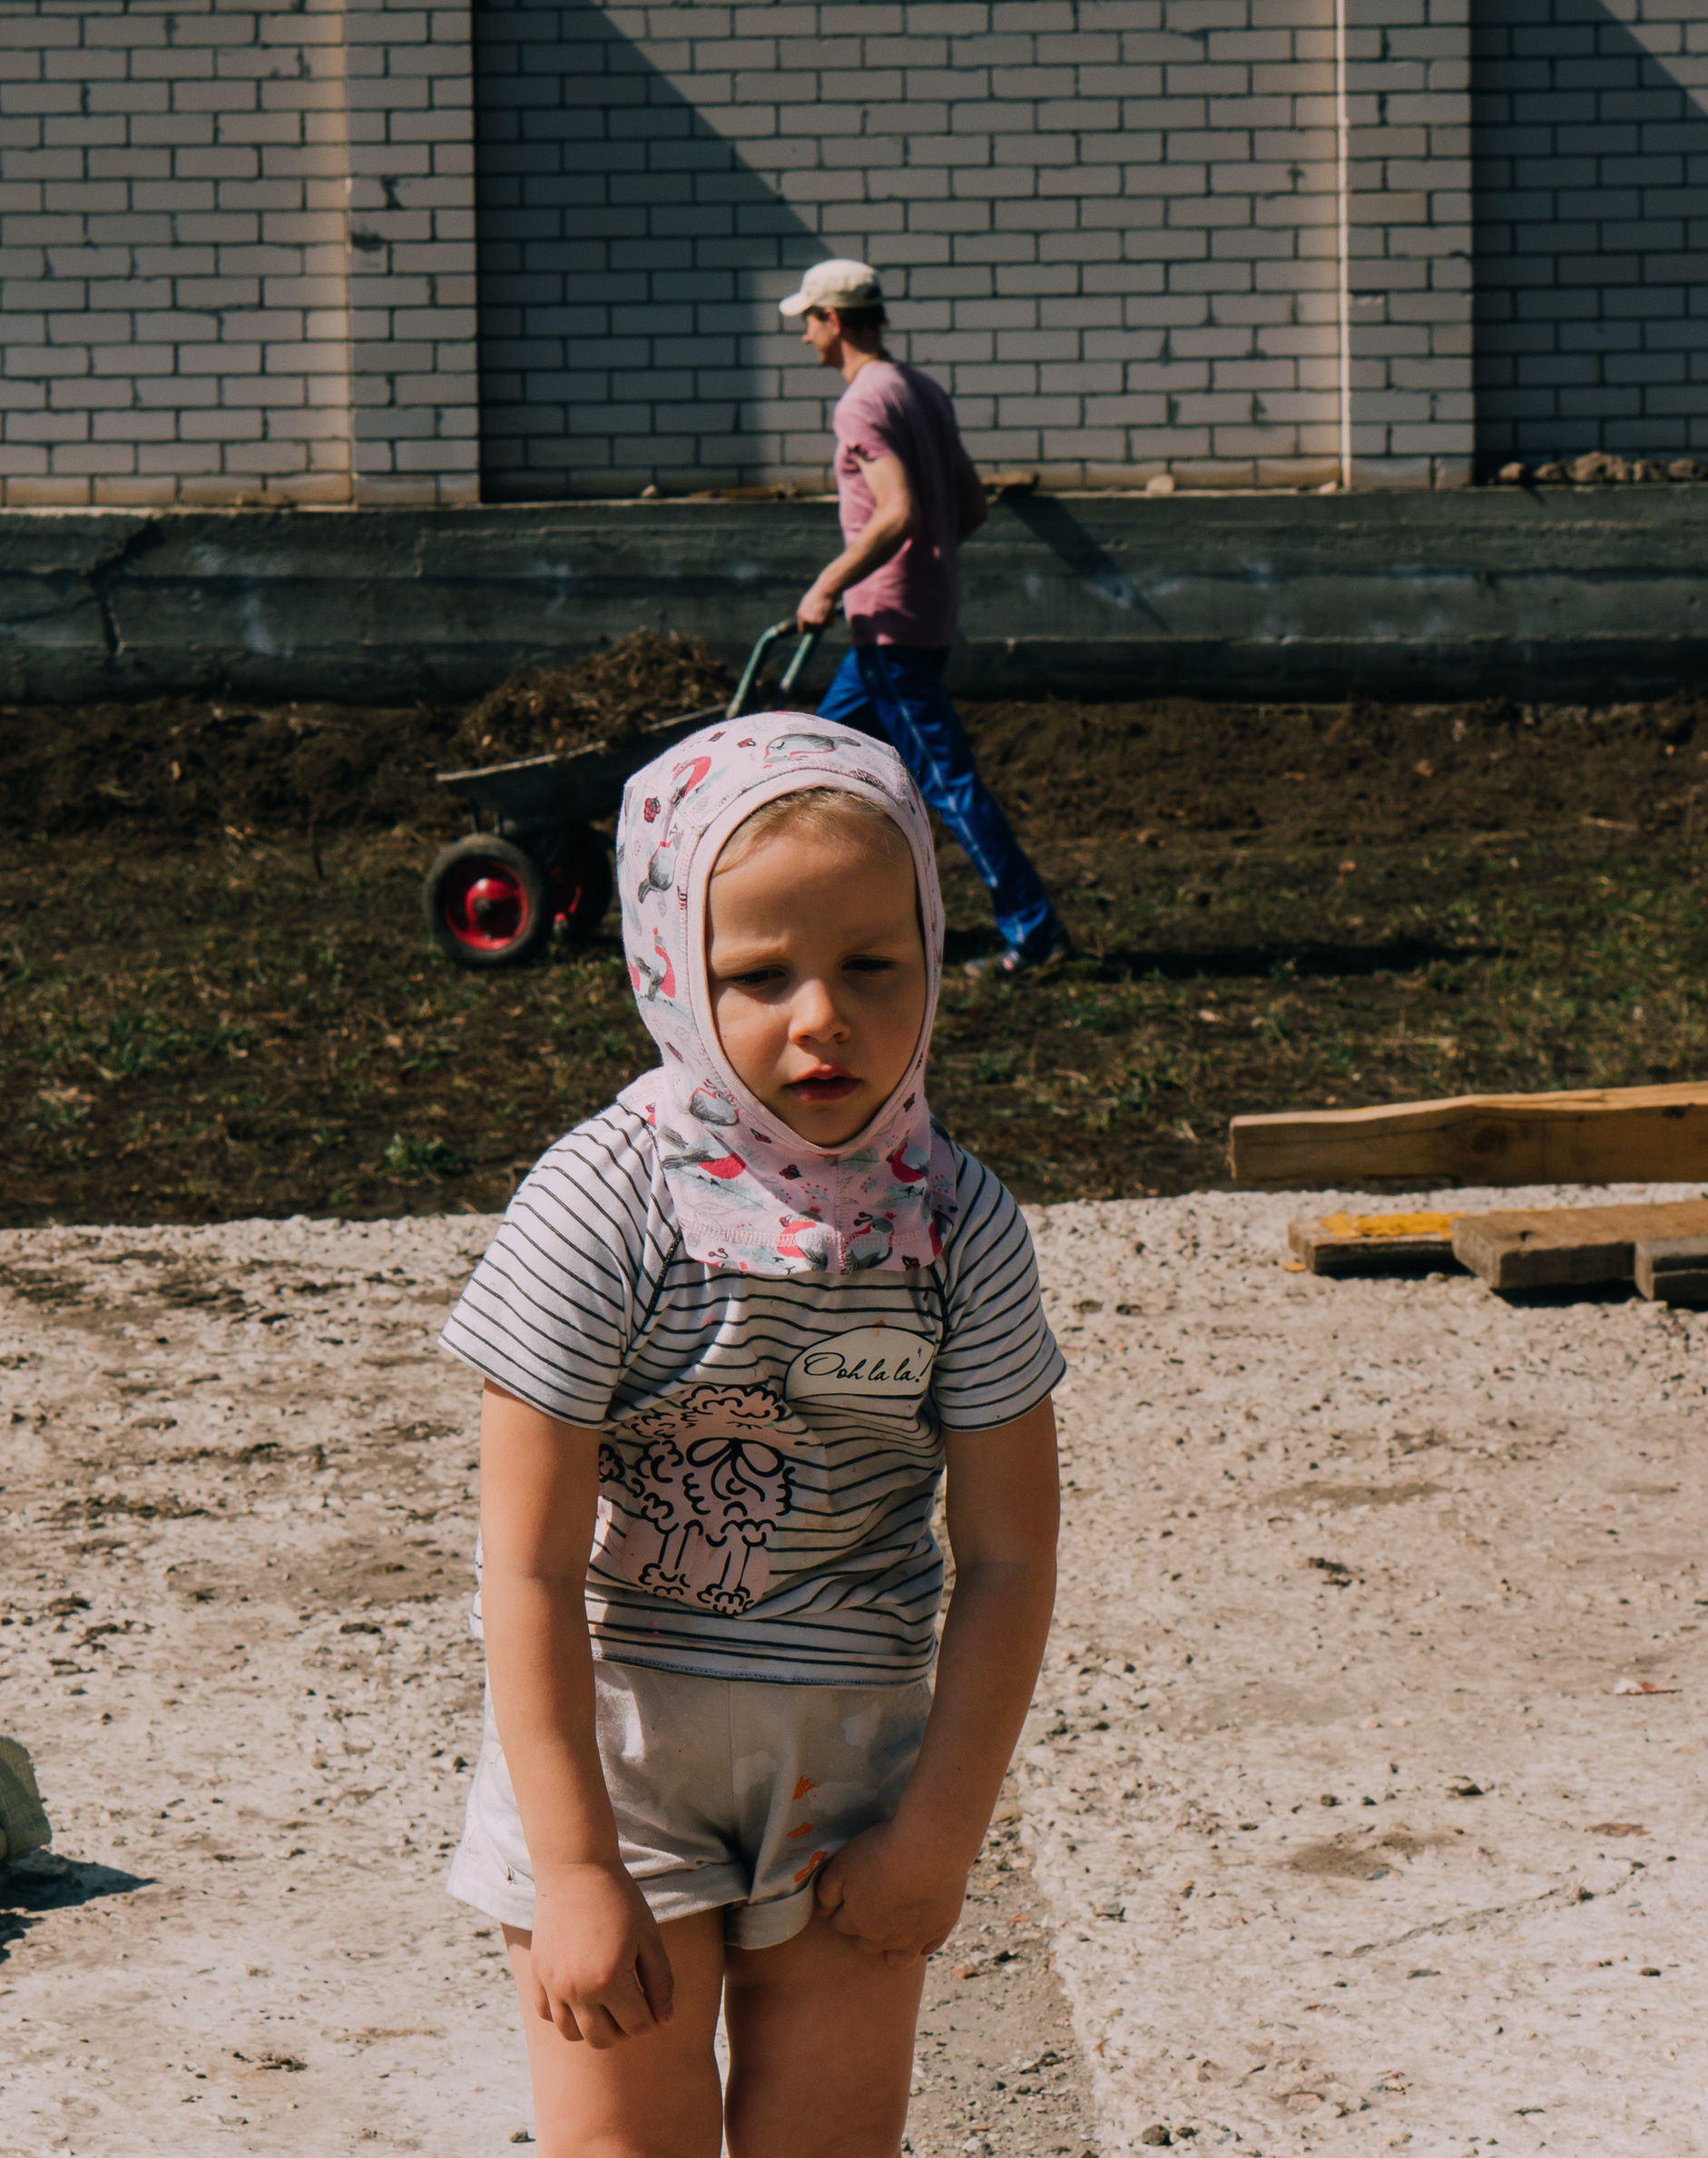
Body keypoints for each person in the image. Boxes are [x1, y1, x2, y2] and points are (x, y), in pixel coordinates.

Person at [439, 713, 1064, 2158]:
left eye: (872, 964)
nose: (821, 1016)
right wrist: (575, 1870)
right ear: (673, 970)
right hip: (620, 1764)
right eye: (760, 974)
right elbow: (524, 1566)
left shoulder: (960, 1224)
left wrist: (938, 1836)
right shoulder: (602, 1205)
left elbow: (1011, 1559)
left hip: (852, 1772)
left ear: (933, 954)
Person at [780, 256, 1070, 979]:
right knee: (814, 762)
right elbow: (969, 507)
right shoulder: (921, 389)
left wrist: (827, 585)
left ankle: (1035, 931)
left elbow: (899, 510)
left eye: (808, 322)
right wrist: (925, 568)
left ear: (834, 319)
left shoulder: (861, 403)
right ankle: (819, 911)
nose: (805, 337)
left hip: (890, 627)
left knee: (946, 782)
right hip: (917, 617)